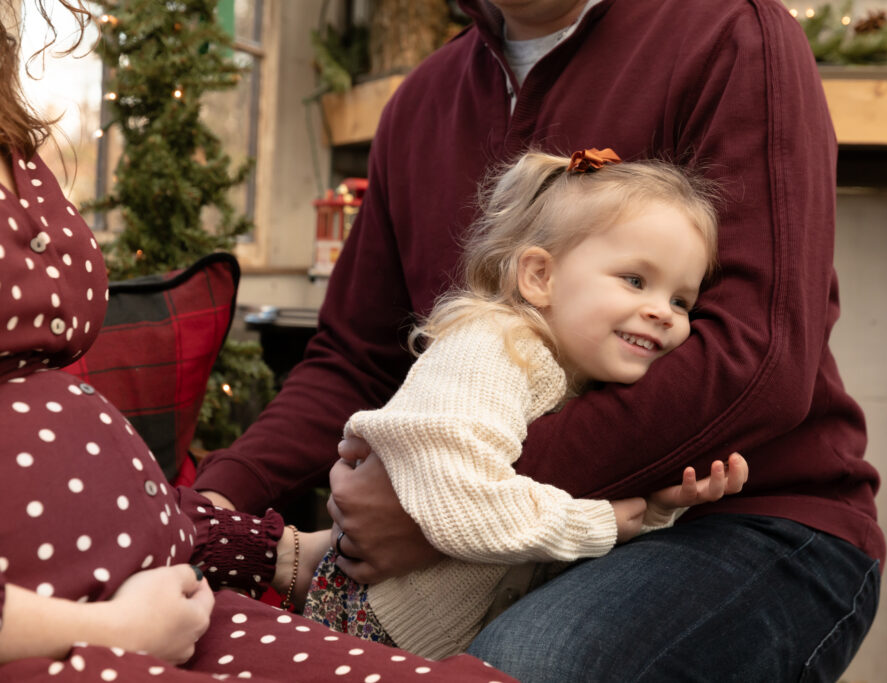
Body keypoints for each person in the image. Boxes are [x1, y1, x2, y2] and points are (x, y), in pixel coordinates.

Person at [196, 0, 886, 680]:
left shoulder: (734, 35)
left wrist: (436, 503)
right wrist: (211, 503)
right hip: (505, 537)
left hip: (752, 518)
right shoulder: (420, 104)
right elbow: (353, 359)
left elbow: (757, 359)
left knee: (521, 666)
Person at [0, 2, 517, 681]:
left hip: (169, 593)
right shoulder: (426, 100)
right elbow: (351, 357)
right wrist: (109, 629)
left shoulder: (12, 131)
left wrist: (273, 548)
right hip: (75, 632)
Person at [301, 148, 748, 658]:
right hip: (374, 635)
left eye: (681, 300)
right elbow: (461, 504)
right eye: (635, 280)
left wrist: (656, 508)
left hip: (431, 644)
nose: (663, 313)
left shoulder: (581, 375)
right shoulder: (490, 349)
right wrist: (599, 522)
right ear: (539, 277)